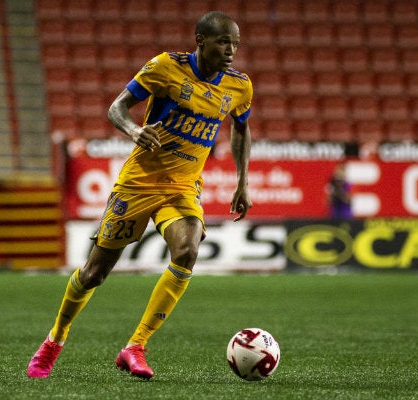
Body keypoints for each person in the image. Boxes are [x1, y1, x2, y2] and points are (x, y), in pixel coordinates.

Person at [27, 11, 253, 380]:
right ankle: (55, 340)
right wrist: (134, 130)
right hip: (138, 183)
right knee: (94, 274)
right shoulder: (166, 67)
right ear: (201, 40)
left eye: (235, 44)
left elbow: (241, 130)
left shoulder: (239, 86)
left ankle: (135, 346)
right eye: (224, 42)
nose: (231, 50)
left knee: (188, 250)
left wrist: (242, 181)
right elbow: (116, 108)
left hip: (181, 186)